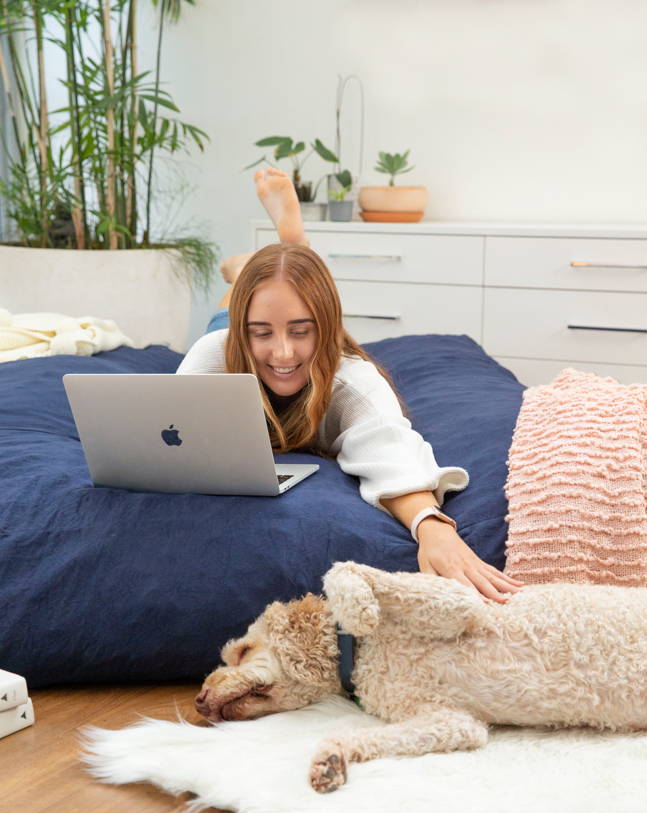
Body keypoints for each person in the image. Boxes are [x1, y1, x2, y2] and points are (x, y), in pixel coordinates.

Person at [177, 168, 522, 603]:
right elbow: (175, 432)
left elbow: (389, 450)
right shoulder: (218, 350)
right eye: (260, 332)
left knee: (276, 298)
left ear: (326, 325)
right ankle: (263, 262)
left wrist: (432, 528)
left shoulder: (352, 380)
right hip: (226, 329)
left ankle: (279, 251)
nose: (283, 353)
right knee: (223, 314)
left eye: (302, 330)